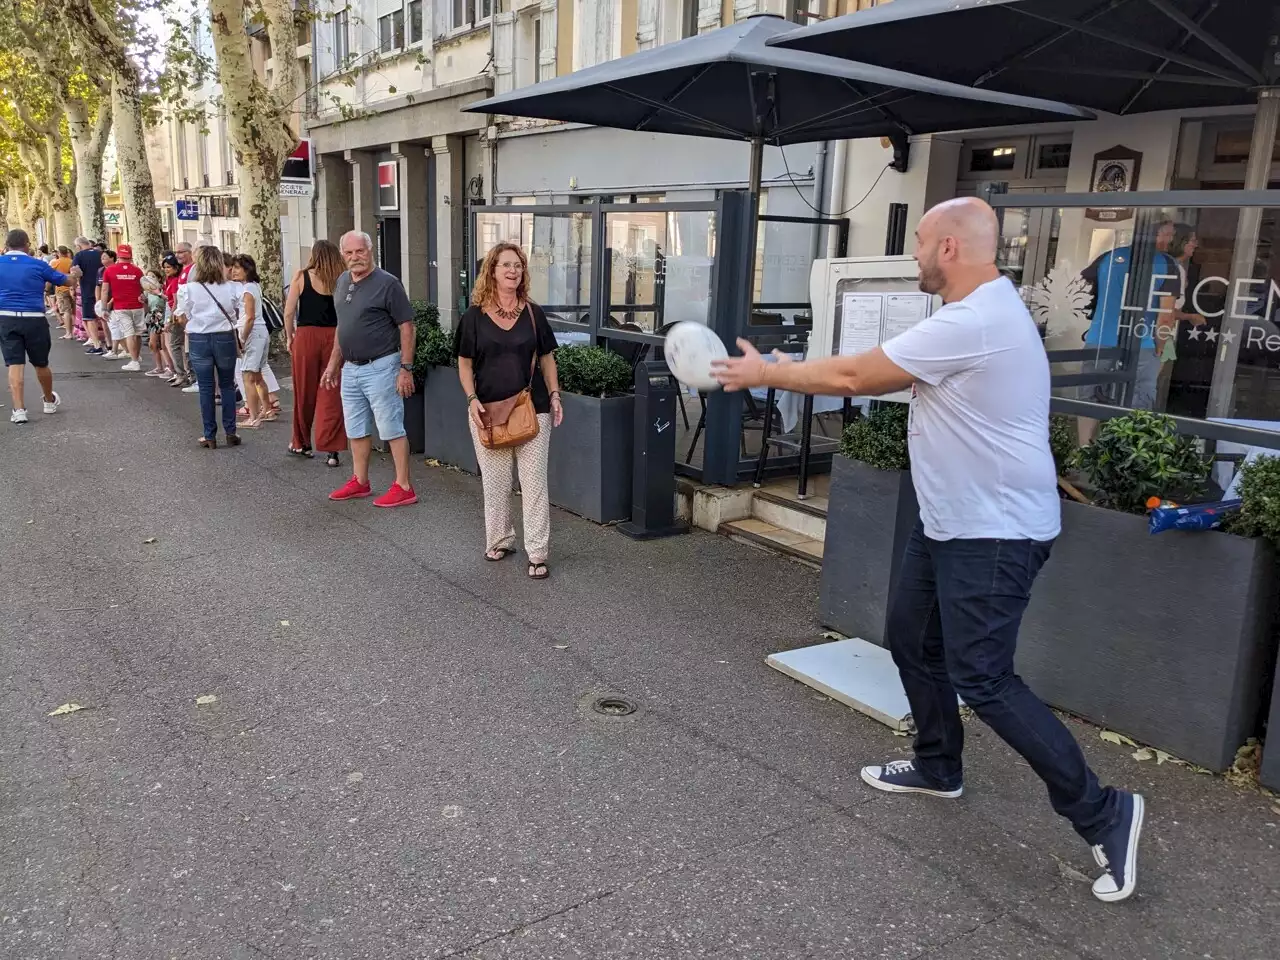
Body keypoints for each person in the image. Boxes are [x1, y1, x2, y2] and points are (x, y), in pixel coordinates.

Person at [712, 197, 1144, 904]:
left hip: (995, 531)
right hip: (952, 522)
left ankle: (1104, 811)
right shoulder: (971, 318)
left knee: (985, 677)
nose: (912, 254)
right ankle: (940, 766)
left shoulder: (977, 321)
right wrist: (797, 365)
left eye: (918, 242)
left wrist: (767, 375)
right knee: (912, 639)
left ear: (949, 247)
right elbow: (880, 368)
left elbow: (856, 379)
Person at [456, 241, 564, 580]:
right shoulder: (474, 316)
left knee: (533, 483)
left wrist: (556, 395)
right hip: (487, 411)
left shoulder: (533, 312)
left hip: (533, 408)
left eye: (517, 265)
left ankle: (537, 553)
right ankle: (500, 539)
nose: (513, 271)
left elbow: (547, 357)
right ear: (492, 270)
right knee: (496, 481)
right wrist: (471, 399)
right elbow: (464, 362)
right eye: (505, 265)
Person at [322, 230, 417, 507]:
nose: (355, 257)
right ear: (343, 256)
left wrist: (405, 368)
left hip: (382, 366)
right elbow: (343, 326)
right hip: (350, 369)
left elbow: (407, 326)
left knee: (391, 427)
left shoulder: (388, 284)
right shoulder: (342, 281)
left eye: (360, 251)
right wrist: (333, 364)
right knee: (356, 428)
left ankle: (404, 486)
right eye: (349, 253)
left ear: (370, 250)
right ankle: (360, 481)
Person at [1075, 220, 1178, 442]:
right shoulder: (1167, 264)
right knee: (1139, 399)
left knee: (1090, 395)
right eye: (1168, 234)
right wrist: (1161, 346)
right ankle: (1125, 452)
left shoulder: (1108, 257)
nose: (1170, 240)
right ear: (1156, 234)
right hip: (1142, 341)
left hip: (1100, 338)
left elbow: (1082, 289)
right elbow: (1165, 315)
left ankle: (1083, 450)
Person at [0, 229, 74, 423]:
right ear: (26, 245)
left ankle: (19, 410)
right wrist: (76, 274)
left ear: (7, 245)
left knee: (14, 364)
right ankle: (49, 401)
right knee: (41, 363)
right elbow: (66, 281)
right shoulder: (37, 264)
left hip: (6, 317)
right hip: (34, 318)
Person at [284, 238, 346, 466]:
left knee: (304, 391)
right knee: (331, 392)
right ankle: (332, 450)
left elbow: (289, 311)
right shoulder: (341, 279)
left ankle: (301, 442)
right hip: (335, 336)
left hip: (306, 336)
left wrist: (289, 336)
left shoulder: (302, 276)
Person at [172, 245, 241, 449]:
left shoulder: (188, 289)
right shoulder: (231, 287)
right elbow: (238, 309)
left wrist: (191, 325)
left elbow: (180, 314)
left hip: (199, 338)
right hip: (225, 336)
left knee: (206, 387)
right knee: (228, 385)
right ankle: (231, 431)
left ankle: (209, 434)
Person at [1155, 223, 1207, 411]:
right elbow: (1167, 311)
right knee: (1149, 383)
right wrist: (1190, 316)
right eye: (1192, 241)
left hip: (1160, 331)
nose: (1195, 245)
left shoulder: (1169, 265)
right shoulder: (1174, 269)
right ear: (1181, 242)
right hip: (1161, 333)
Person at [229, 254, 271, 428]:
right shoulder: (255, 286)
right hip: (261, 332)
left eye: (238, 268)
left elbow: (250, 317)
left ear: (247, 270)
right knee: (258, 376)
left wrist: (243, 338)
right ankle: (267, 410)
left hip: (253, 333)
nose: (233, 271)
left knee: (248, 377)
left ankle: (253, 416)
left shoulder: (247, 290)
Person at [101, 243, 147, 372]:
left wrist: (104, 308)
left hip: (121, 306)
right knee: (137, 334)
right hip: (137, 306)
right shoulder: (137, 270)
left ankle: (134, 361)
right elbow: (144, 288)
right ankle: (136, 357)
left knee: (129, 333)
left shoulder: (109, 270)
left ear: (118, 255)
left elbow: (104, 291)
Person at [160, 254, 191, 387]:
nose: (166, 269)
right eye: (165, 267)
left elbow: (176, 301)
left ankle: (182, 374)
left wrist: (170, 318)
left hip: (177, 315)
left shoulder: (175, 281)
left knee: (175, 344)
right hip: (175, 313)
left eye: (169, 267)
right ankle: (183, 373)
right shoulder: (170, 280)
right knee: (178, 345)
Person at [72, 237, 107, 354]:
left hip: (87, 289)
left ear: (78, 246)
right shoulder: (101, 253)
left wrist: (76, 278)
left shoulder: (79, 256)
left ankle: (97, 345)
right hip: (103, 288)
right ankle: (110, 343)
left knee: (89, 318)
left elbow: (76, 272)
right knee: (105, 317)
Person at [142, 268, 174, 378]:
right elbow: (147, 306)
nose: (149, 280)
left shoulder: (162, 288)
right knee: (154, 344)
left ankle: (170, 368)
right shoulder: (147, 292)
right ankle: (160, 367)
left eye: (152, 277)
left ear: (158, 279)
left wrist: (159, 293)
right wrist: (143, 301)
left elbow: (168, 299)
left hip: (161, 315)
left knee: (162, 344)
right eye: (147, 277)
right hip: (152, 316)